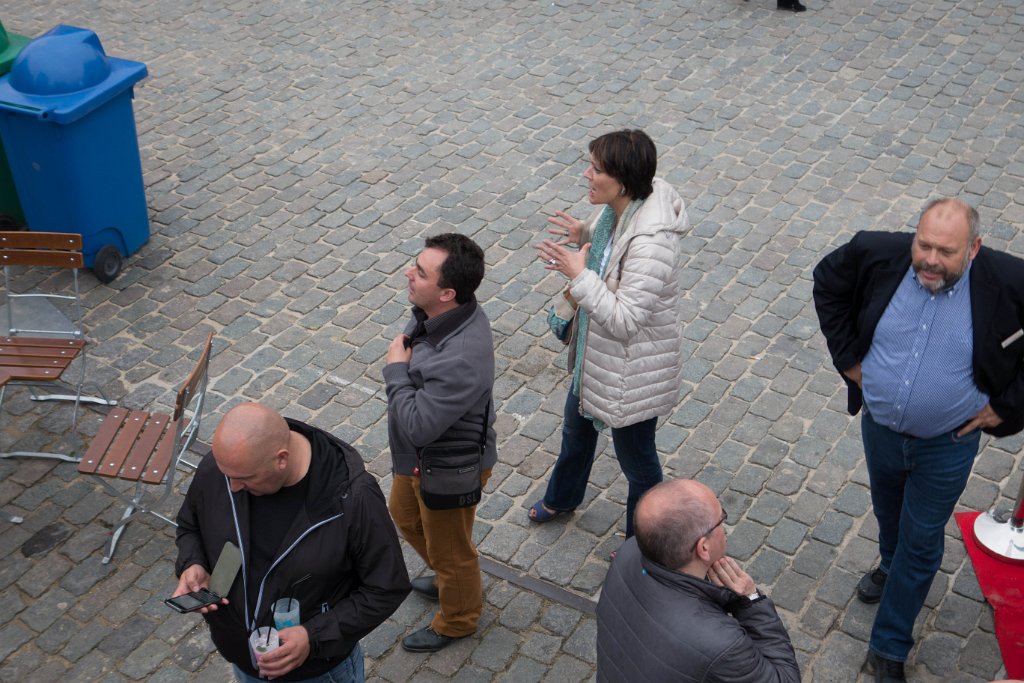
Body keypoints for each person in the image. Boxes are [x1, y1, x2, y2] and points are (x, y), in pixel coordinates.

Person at [813, 198, 1024, 682]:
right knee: (888, 511)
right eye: (923, 245)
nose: (930, 260)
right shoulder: (874, 252)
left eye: (945, 252)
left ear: (974, 248)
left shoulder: (1010, 280)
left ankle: (889, 645)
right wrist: (847, 360)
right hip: (881, 429)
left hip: (947, 444)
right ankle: (890, 564)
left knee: (922, 537)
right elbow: (827, 282)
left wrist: (1007, 406)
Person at [173, 403, 410, 682]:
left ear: (281, 459)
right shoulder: (226, 467)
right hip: (243, 658)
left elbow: (386, 588)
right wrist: (193, 562)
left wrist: (312, 636)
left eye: (244, 479)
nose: (232, 487)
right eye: (228, 476)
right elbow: (189, 525)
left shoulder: (353, 499)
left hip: (316, 672)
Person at [530, 128, 688, 540]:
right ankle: (563, 497)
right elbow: (612, 248)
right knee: (575, 433)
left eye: (597, 169)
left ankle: (644, 541)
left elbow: (625, 320)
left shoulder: (652, 244)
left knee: (639, 464)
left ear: (623, 181)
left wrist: (579, 275)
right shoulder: (619, 210)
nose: (587, 174)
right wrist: (586, 233)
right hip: (597, 360)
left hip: (631, 376)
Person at [384, 233, 496, 653]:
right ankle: (453, 579)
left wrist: (396, 371)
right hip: (421, 461)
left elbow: (418, 426)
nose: (408, 274)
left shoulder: (460, 356)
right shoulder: (439, 313)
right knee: (403, 514)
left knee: (452, 552)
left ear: (448, 293)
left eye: (420, 272)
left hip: (448, 467)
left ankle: (459, 618)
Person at [596, 478, 800, 682]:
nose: (724, 528)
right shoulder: (723, 645)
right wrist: (750, 601)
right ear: (703, 548)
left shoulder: (627, 552)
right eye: (722, 519)